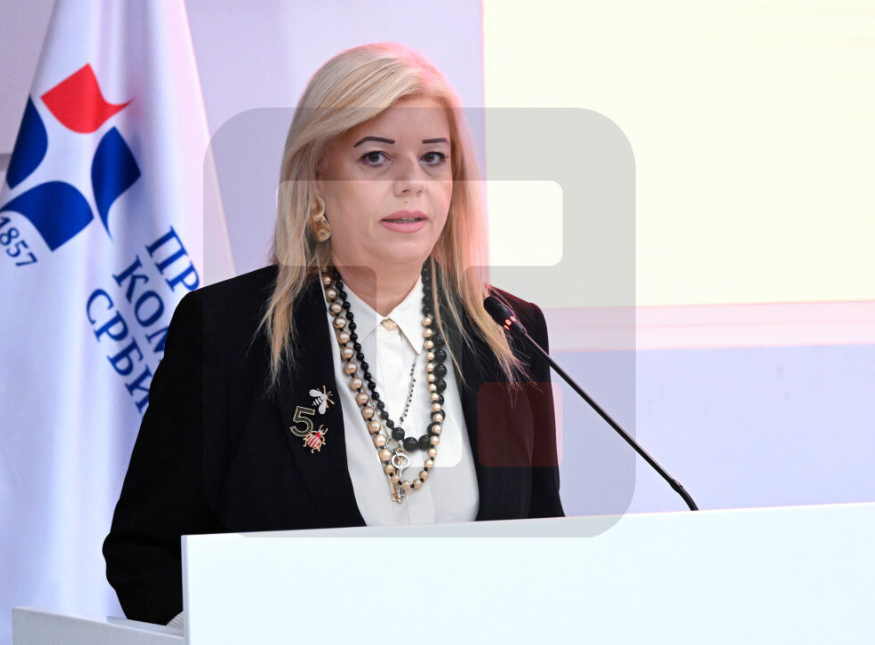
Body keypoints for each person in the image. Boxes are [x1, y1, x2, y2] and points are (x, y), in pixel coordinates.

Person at [103, 42, 563, 626]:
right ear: (316, 181)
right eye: (376, 157)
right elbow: (147, 554)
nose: (411, 182)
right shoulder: (227, 331)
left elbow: (543, 542)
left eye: (433, 157)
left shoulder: (509, 333)